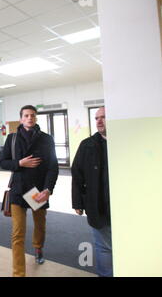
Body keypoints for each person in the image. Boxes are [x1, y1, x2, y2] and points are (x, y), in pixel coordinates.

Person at [0, 105, 59, 277]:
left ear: (36, 118)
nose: (30, 118)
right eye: (26, 116)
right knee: (17, 233)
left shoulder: (46, 139)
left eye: (32, 115)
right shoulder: (12, 138)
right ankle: (18, 274)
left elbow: (52, 167)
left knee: (39, 225)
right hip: (18, 190)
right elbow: (2, 162)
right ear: (21, 119)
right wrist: (19, 163)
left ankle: (38, 248)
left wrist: (48, 189)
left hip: (37, 191)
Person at [71, 106, 113, 277]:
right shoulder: (87, 145)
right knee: (103, 247)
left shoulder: (124, 142)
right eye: (96, 118)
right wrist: (78, 202)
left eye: (103, 117)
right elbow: (77, 175)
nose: (99, 121)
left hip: (124, 206)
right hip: (97, 205)